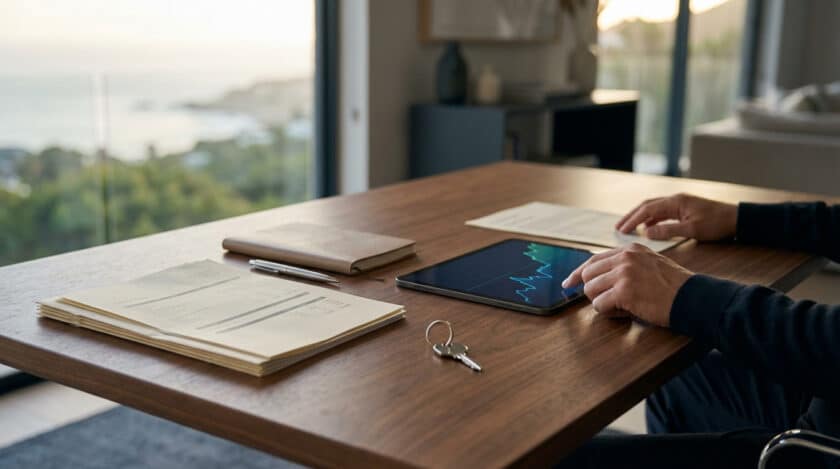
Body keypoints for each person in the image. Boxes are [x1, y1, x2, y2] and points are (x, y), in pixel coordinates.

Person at [557, 194, 840, 468]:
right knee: (674, 378)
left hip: (821, 448)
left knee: (552, 459)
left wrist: (688, 296)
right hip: (828, 403)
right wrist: (739, 218)